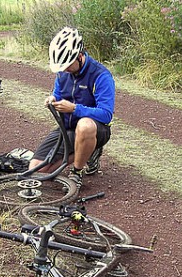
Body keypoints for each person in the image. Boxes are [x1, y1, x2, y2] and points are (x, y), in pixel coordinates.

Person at [28, 27, 115, 188]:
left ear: (79, 56)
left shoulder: (101, 75)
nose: (64, 70)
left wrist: (75, 109)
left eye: (67, 65)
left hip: (95, 129)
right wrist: (53, 98)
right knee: (36, 170)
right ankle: (87, 153)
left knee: (85, 126)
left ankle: (77, 171)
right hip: (68, 128)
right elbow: (58, 92)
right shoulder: (63, 72)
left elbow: (106, 114)